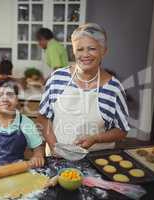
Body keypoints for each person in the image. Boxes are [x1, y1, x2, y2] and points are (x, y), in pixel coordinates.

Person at [37, 23, 129, 154]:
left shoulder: (114, 88)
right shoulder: (57, 78)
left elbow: (122, 130)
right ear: (73, 51)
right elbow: (43, 118)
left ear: (103, 51)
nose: (85, 54)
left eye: (92, 48)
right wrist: (54, 146)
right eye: (80, 49)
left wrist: (96, 138)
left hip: (95, 160)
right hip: (57, 158)